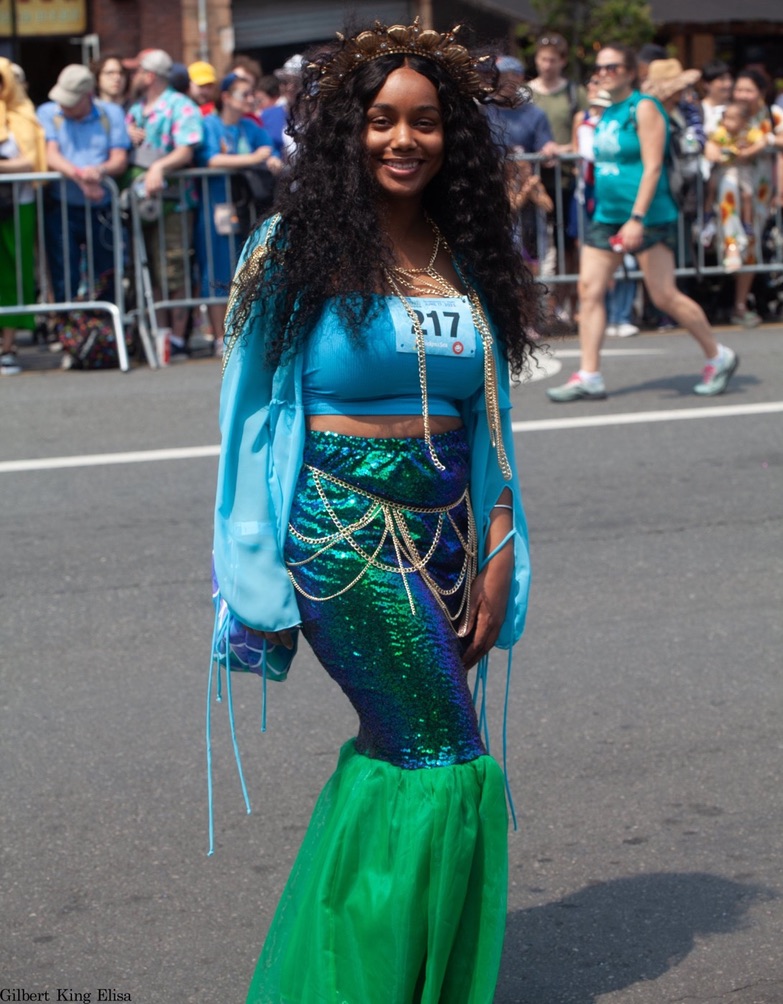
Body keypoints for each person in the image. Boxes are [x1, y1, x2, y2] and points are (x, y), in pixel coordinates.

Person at [211, 20, 536, 1002]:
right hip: (341, 534)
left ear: (453, 138)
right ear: (348, 132)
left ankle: (369, 968)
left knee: (405, 750)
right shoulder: (289, 252)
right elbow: (249, 424)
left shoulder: (465, 253)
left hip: (448, 536)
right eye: (384, 120)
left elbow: (491, 422)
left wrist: (501, 542)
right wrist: (253, 577)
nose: (406, 140)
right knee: (441, 750)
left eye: (427, 123)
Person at [546, 44, 738, 403]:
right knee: (589, 290)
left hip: (646, 215)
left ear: (631, 72)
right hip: (606, 214)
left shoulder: (644, 108)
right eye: (600, 68)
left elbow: (652, 166)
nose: (604, 73)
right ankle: (589, 374)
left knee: (663, 294)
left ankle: (718, 355)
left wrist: (636, 218)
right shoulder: (607, 112)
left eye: (613, 67)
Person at [125, 48, 203, 354]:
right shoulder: (136, 109)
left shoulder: (179, 105)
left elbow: (186, 149)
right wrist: (127, 135)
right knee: (151, 268)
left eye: (136, 71)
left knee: (175, 264)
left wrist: (159, 166)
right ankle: (162, 335)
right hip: (141, 200)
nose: (132, 77)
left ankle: (180, 336)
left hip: (175, 200)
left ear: (150, 75)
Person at [194, 72, 278, 351]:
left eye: (252, 93)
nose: (251, 99)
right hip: (217, 204)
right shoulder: (209, 125)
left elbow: (268, 147)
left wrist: (271, 159)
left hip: (246, 207)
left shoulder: (249, 126)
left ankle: (247, 331)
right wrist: (253, 159)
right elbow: (211, 158)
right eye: (244, 94)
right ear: (226, 97)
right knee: (217, 266)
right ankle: (220, 336)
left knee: (250, 265)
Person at [37, 64, 130, 304]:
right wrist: (81, 177)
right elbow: (51, 155)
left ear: (88, 96)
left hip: (102, 208)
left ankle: (103, 332)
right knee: (64, 274)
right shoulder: (48, 113)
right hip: (62, 208)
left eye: (71, 102)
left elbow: (119, 159)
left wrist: (98, 172)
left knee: (105, 273)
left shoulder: (111, 114)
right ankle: (66, 332)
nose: (64, 106)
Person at [705, 68, 783, 327]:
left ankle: (740, 303)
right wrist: (715, 149)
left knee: (752, 240)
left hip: (759, 188)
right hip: (729, 185)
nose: (742, 95)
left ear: (761, 92)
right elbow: (711, 141)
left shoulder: (771, 115)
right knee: (731, 226)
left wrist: (764, 142)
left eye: (748, 90)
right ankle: (732, 261)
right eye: (739, 89)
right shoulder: (726, 115)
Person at [528, 32, 587, 323]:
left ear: (562, 61)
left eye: (552, 59)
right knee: (534, 245)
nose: (547, 64)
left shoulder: (574, 93)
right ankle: (536, 306)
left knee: (566, 244)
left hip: (564, 176)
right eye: (542, 58)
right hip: (531, 178)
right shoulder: (527, 92)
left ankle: (564, 302)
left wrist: (561, 150)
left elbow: (585, 130)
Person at [0, 57, 46, 377]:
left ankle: (9, 345)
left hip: (16, 206)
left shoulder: (23, 115)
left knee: (14, 272)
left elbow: (29, 162)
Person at [705, 100, 767, 271]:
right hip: (725, 172)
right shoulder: (720, 132)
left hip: (744, 172)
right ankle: (730, 244)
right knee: (725, 189)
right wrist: (711, 149)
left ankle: (745, 228)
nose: (728, 123)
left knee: (745, 195)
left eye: (733, 119)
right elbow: (711, 142)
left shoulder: (749, 132)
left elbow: (762, 141)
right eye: (727, 118)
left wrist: (747, 152)